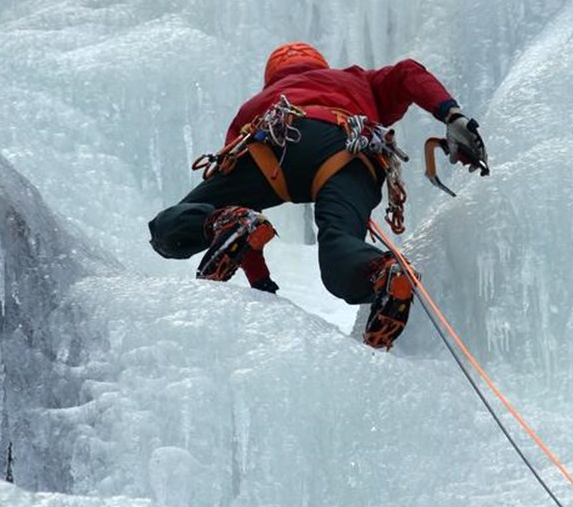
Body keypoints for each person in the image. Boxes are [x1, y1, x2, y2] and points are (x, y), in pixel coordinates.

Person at [149, 42, 488, 349]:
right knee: (340, 244)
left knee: (177, 226)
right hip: (348, 151)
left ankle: (216, 221)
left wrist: (261, 282)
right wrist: (451, 113)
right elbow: (407, 73)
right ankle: (381, 272)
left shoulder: (254, 104)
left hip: (273, 142)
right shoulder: (356, 80)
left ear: (272, 78)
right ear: (320, 65)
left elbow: (241, 219)